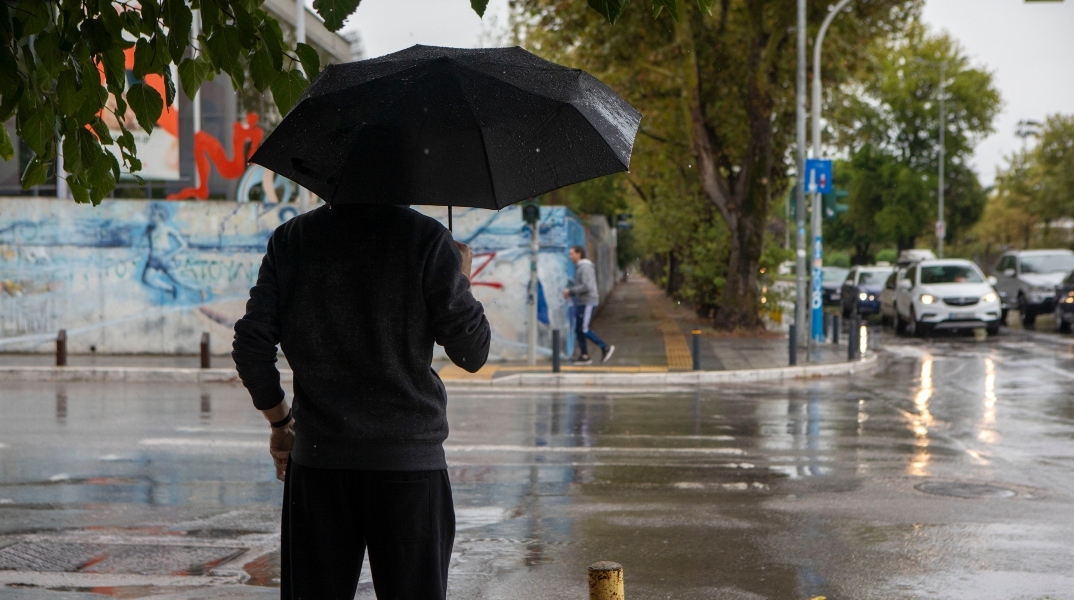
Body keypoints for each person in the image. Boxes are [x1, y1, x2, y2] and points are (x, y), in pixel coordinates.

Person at [232, 204, 491, 600]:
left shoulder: (292, 240)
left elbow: (252, 345)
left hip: (319, 466)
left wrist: (281, 423)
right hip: (408, 469)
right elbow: (472, 353)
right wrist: (460, 277)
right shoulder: (426, 239)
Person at [562, 245, 615, 365]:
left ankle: (605, 347)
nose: (570, 256)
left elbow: (587, 286)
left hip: (588, 302)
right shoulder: (580, 267)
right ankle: (584, 356)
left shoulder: (585, 267)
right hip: (583, 302)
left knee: (583, 329)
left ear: (579, 254)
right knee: (578, 330)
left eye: (572, 254)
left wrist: (570, 291)